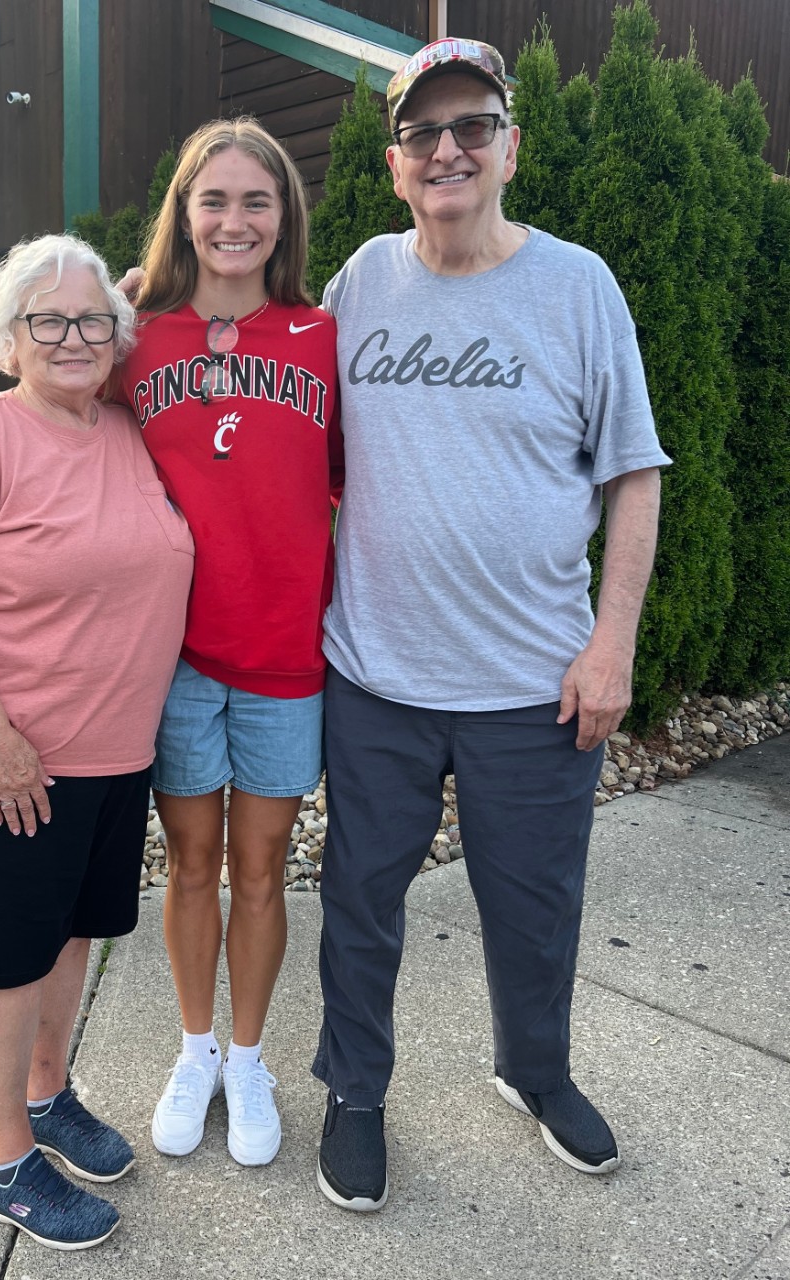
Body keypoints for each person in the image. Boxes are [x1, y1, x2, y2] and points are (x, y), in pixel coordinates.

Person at [312, 38, 671, 1212]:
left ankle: (533, 1070)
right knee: (360, 899)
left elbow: (632, 472)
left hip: (532, 683)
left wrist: (609, 640)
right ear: (393, 162)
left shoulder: (577, 286)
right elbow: (291, 451)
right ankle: (355, 1091)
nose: (447, 149)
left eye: (471, 127)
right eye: (423, 133)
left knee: (533, 903)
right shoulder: (357, 282)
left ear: (508, 147)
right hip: (375, 677)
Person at [0, 234, 193, 1250]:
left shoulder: (123, 428)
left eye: (90, 321)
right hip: (1, 758)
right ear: (6, 337)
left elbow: (147, 293)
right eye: (44, 320)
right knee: (4, 957)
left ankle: (49, 1093)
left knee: (69, 935)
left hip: (111, 757)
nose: (70, 337)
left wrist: (129, 288)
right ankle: (2, 1157)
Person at [115, 118, 342, 1167]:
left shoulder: (324, 338)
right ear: (183, 213)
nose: (234, 219)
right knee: (189, 861)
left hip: (284, 657)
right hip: (174, 659)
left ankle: (248, 1059)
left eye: (256, 200)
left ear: (283, 215)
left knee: (261, 868)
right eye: (214, 200)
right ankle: (194, 1046)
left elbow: (355, 478)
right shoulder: (132, 333)